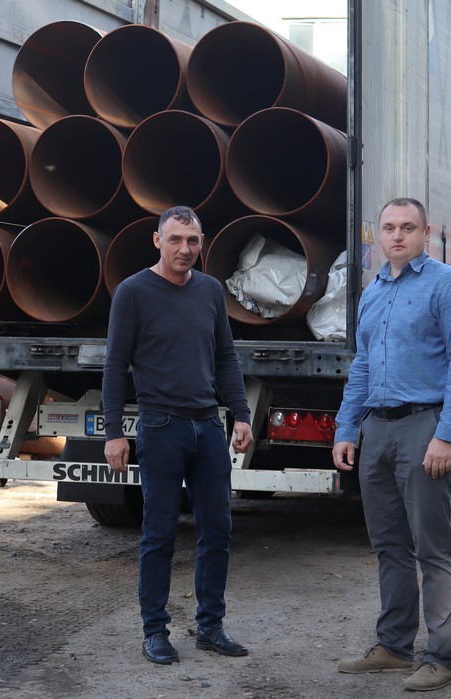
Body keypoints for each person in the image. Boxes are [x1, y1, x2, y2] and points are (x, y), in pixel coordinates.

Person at [332, 197, 451, 692]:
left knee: (433, 548)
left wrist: (445, 435)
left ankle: (441, 657)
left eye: (408, 227)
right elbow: (362, 365)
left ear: (426, 233)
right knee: (388, 545)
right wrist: (347, 428)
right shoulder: (372, 292)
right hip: (377, 429)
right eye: (390, 227)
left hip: (423, 427)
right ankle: (394, 647)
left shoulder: (447, 285)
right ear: (379, 234)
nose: (398, 235)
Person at [102, 205, 254, 665]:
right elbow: (115, 367)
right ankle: (155, 632)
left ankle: (211, 627)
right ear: (157, 241)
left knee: (218, 531)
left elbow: (225, 357)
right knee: (159, 534)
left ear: (201, 242)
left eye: (192, 241)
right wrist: (114, 433)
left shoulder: (210, 291)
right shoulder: (133, 293)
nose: (184, 249)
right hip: (160, 426)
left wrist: (241, 414)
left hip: (208, 426)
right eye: (175, 240)